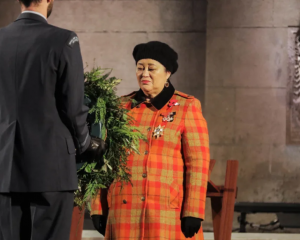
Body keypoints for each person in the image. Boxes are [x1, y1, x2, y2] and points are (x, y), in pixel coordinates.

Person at [0, 0, 106, 239]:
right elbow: (72, 105)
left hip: (5, 167)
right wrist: (87, 143)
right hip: (51, 166)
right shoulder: (64, 40)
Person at [91, 41, 210, 240]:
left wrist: (193, 211)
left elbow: (198, 162)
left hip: (167, 211)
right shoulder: (121, 107)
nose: (144, 74)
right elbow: (103, 160)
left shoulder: (186, 107)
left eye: (151, 68)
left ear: (168, 72)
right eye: (140, 68)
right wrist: (98, 207)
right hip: (124, 210)